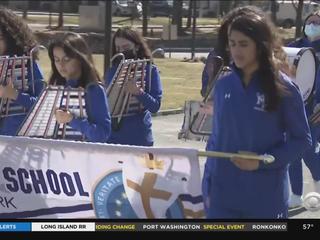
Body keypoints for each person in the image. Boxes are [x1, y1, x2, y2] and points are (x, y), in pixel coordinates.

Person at [203, 12, 312, 219]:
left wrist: (263, 161)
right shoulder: (224, 84)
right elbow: (216, 140)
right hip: (222, 197)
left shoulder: (284, 88)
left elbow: (301, 140)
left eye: (243, 44)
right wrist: (207, 183)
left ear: (261, 45)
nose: (236, 50)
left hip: (265, 198)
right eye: (232, 43)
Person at [48, 32, 111, 143]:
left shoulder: (94, 90)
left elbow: (102, 135)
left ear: (80, 59)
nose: (61, 65)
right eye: (56, 60)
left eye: (66, 59)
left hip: (85, 156)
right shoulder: (54, 88)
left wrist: (72, 120)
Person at [105, 27, 162, 146]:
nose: (121, 52)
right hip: (112, 138)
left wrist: (139, 93)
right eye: (118, 49)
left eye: (125, 47)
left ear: (137, 46)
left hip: (139, 138)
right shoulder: (112, 71)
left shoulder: (150, 70)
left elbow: (155, 106)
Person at [286, 10, 320, 208]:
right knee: (292, 151)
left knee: (309, 151)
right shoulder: (294, 47)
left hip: (315, 110)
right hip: (293, 107)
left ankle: (318, 181)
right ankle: (296, 194)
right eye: (310, 21)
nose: (313, 25)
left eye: (317, 22)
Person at [0, 7, 45, 136]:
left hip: (16, 141)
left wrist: (15, 95)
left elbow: (42, 108)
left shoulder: (29, 65)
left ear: (11, 38)